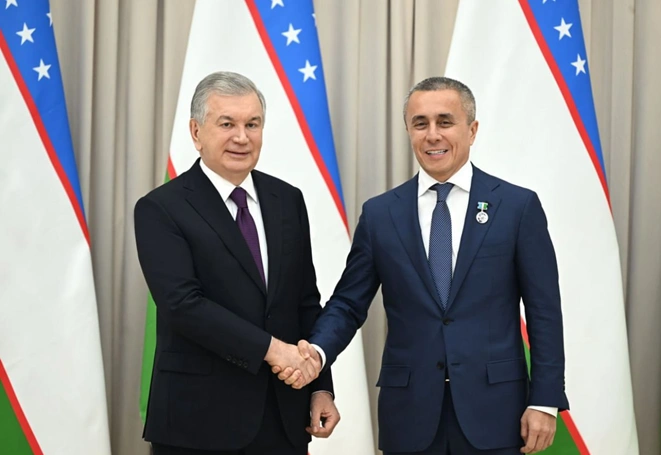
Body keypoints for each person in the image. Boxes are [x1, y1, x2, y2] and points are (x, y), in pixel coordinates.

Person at [277, 77, 569, 454]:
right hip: (409, 415)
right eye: (420, 123)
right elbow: (348, 304)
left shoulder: (516, 207)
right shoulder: (380, 214)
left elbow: (544, 311)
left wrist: (544, 400)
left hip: (496, 413)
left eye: (445, 122)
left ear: (472, 130)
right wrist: (316, 354)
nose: (432, 135)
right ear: (409, 131)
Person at [134, 71, 339, 455]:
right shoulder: (161, 208)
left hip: (283, 418)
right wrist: (273, 350)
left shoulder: (288, 200)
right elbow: (183, 305)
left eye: (252, 124)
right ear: (196, 132)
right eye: (227, 124)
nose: (242, 137)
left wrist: (320, 387)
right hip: (197, 423)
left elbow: (305, 302)